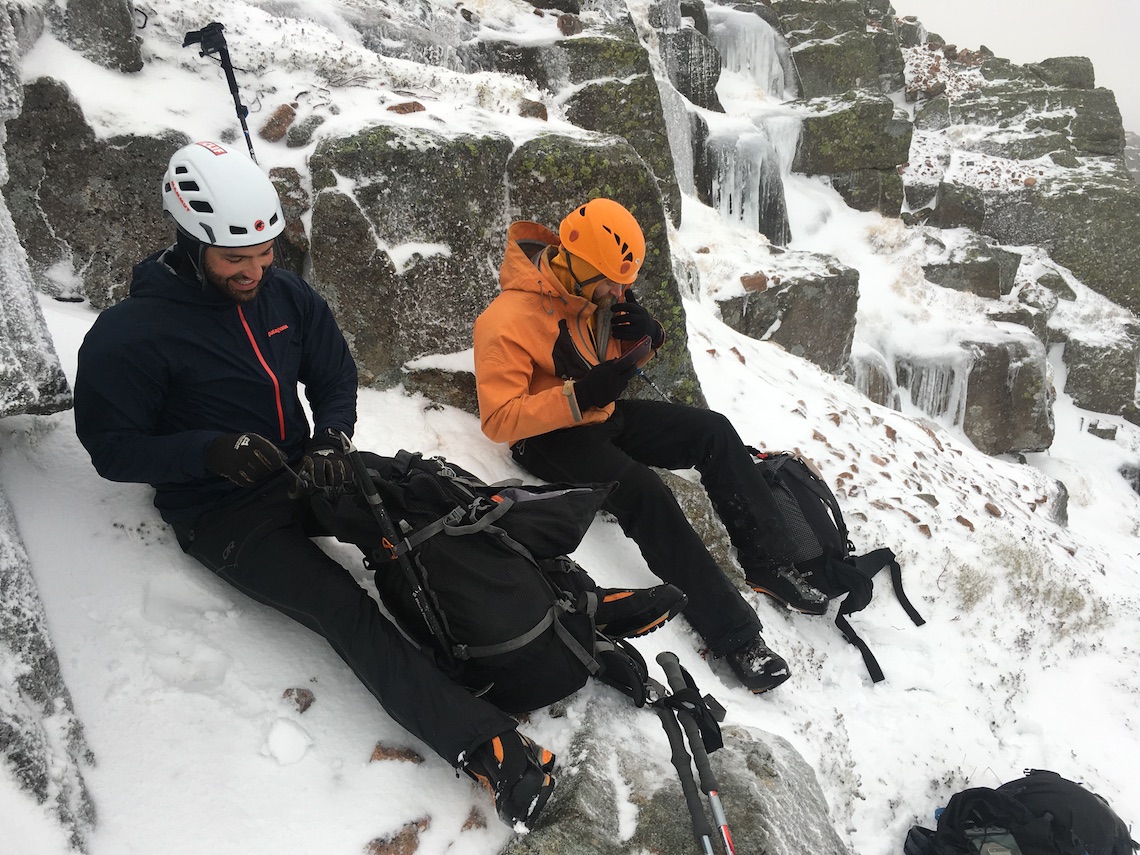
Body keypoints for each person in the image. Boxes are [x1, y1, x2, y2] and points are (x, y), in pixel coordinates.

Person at [72, 143, 682, 830]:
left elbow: (332, 372)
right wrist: (206, 452)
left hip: (304, 463)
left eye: (265, 251)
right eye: (234, 259)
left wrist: (332, 436)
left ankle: (582, 602)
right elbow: (111, 448)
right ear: (190, 240)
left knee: (442, 498)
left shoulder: (283, 294)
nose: (255, 270)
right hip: (223, 512)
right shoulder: (130, 336)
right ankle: (491, 747)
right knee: (345, 608)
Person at [473, 198, 831, 695]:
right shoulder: (505, 319)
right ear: (577, 266)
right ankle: (737, 637)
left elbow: (614, 361)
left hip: (600, 415)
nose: (619, 291)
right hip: (546, 439)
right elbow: (499, 418)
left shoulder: (590, 295)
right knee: (646, 494)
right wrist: (580, 396)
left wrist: (649, 336)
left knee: (714, 432)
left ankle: (767, 561)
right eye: (611, 281)